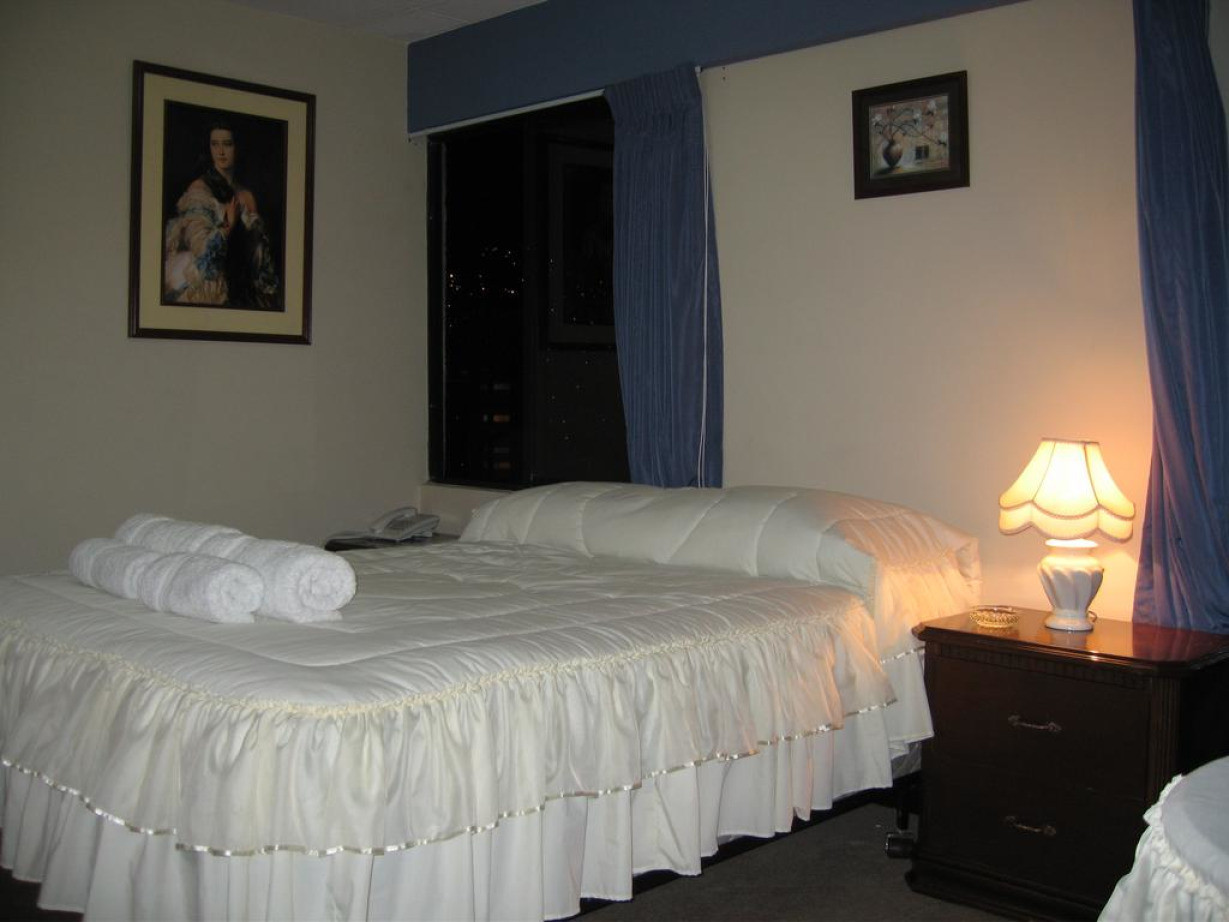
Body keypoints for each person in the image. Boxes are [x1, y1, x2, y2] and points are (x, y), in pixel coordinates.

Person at [163, 122, 279, 310]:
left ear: (237, 147)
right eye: (215, 144)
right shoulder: (200, 190)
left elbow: (259, 261)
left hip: (244, 291)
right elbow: (202, 254)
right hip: (212, 291)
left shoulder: (247, 196)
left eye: (227, 144)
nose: (221, 152)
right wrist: (227, 226)